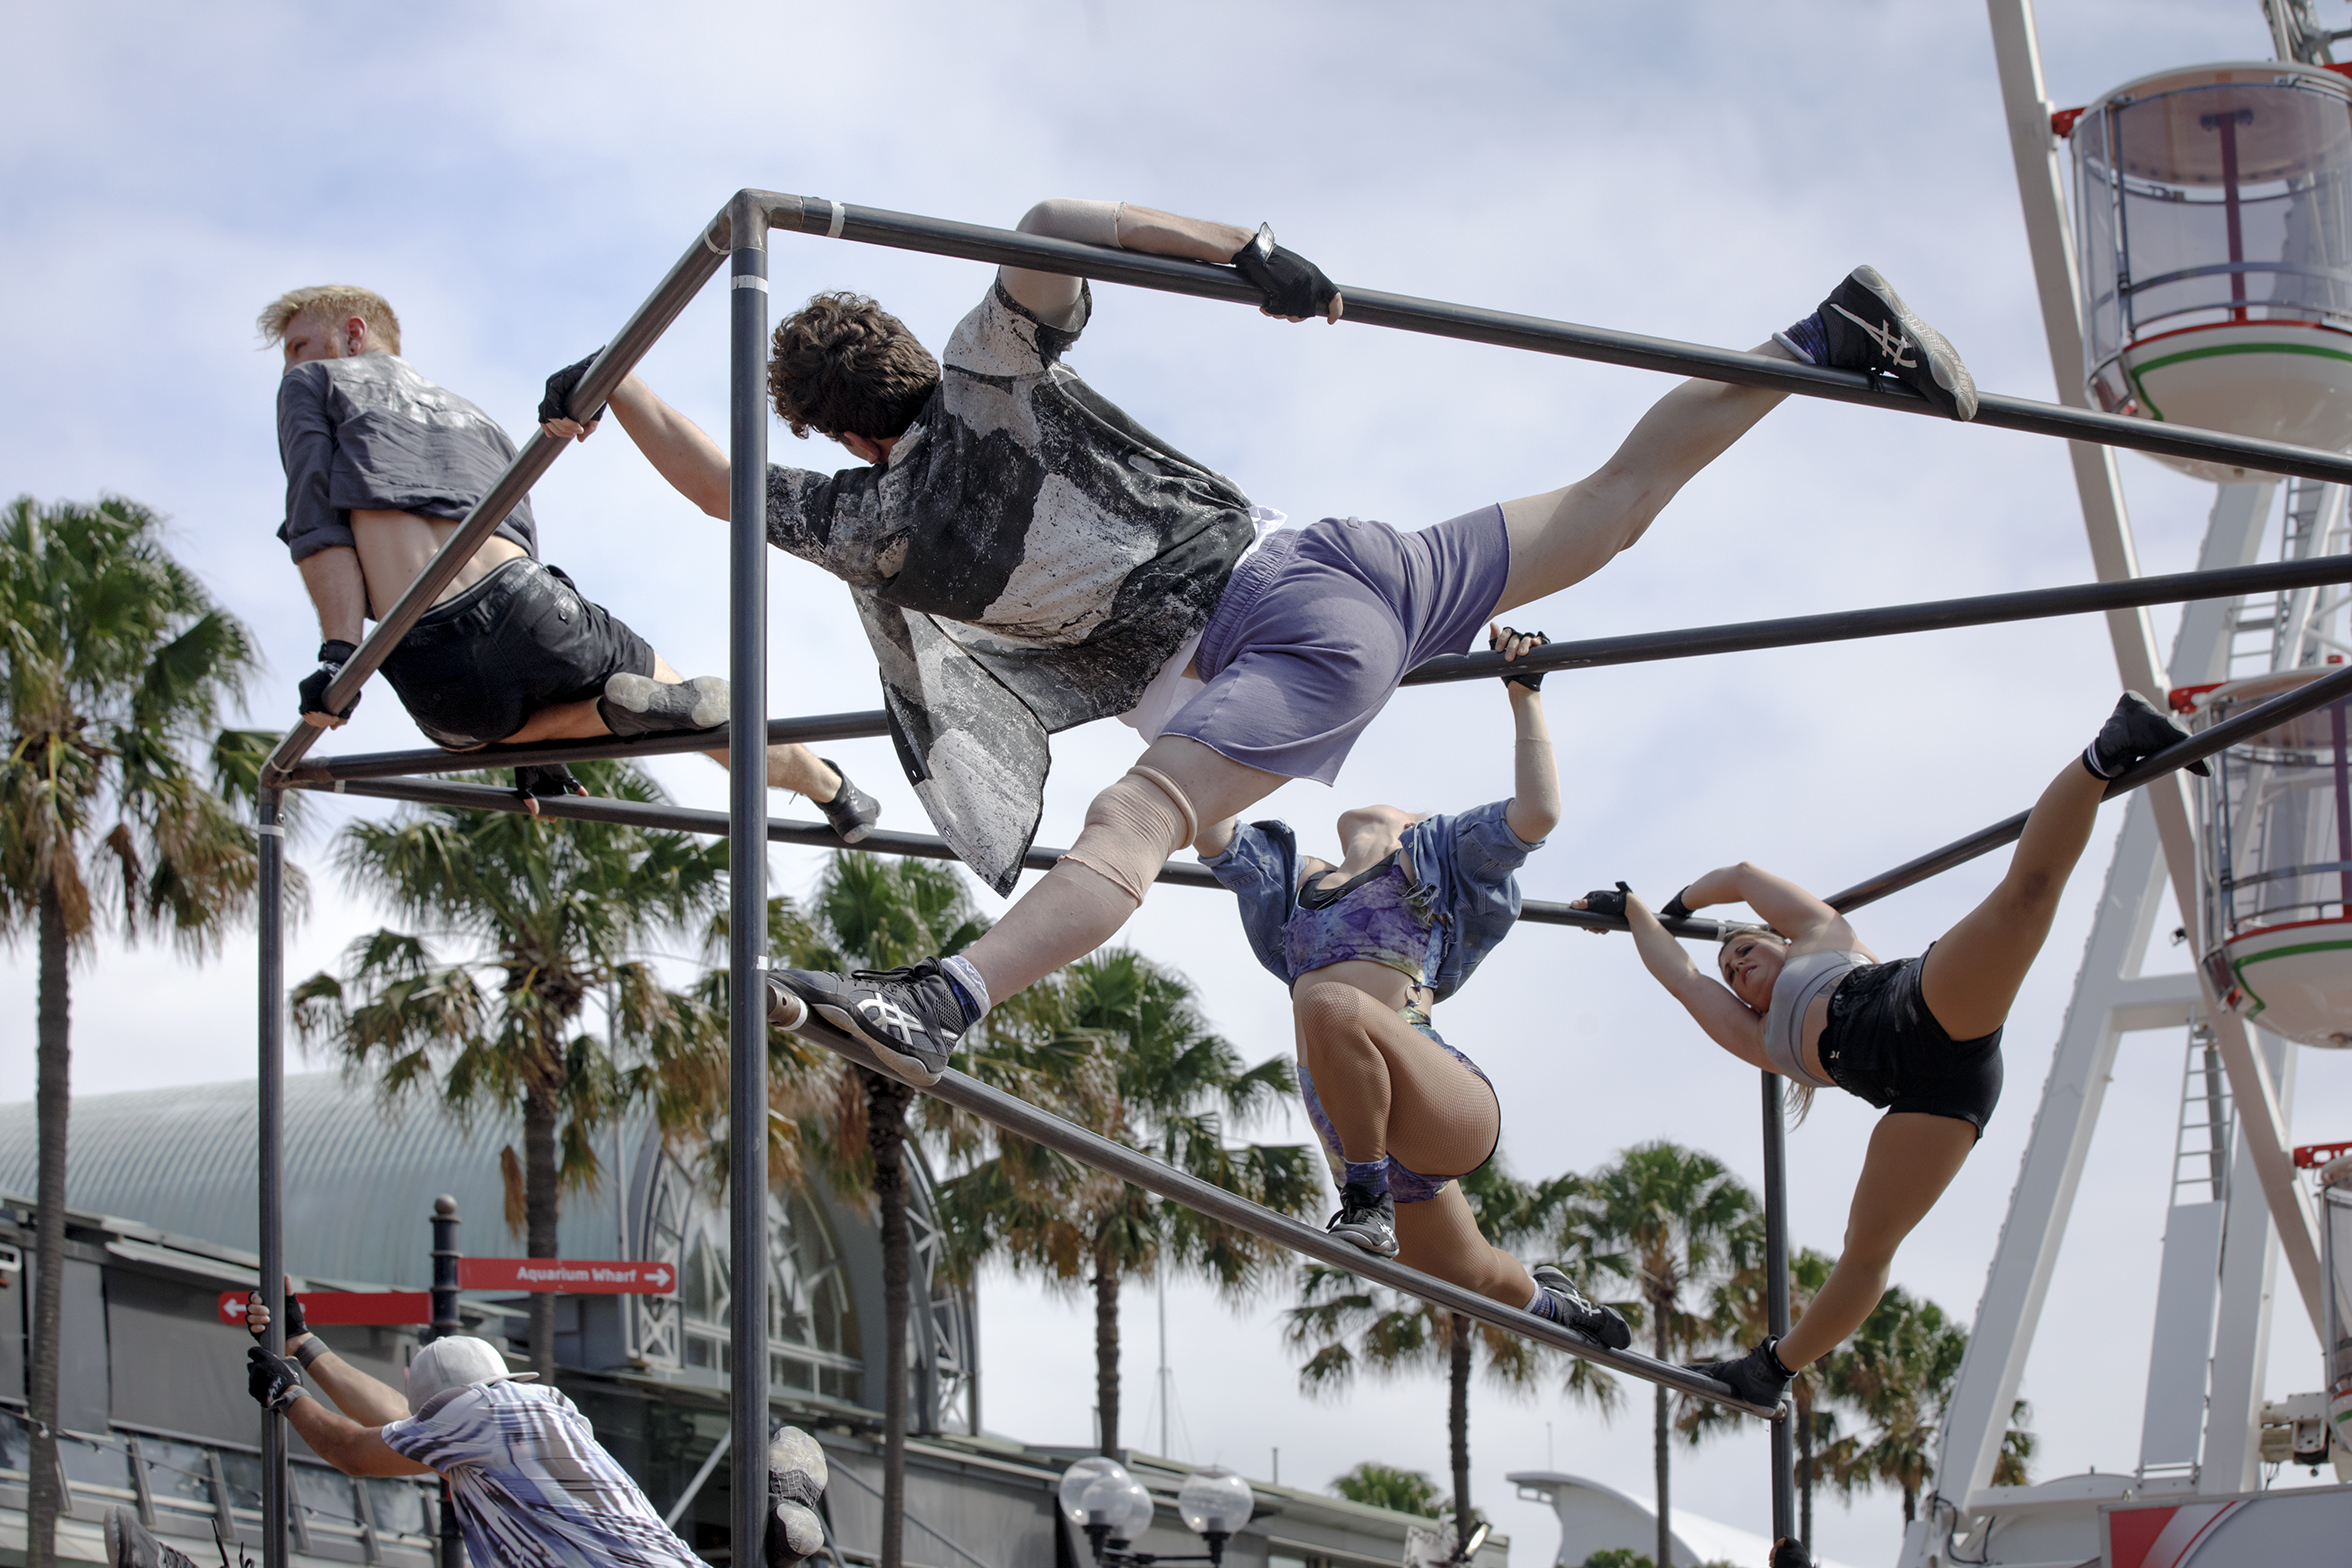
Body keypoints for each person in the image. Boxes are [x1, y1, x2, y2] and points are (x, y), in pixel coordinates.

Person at [543, 197, 1976, 1087]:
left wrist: (614, 393)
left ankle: (944, 999)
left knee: (1129, 818)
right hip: (1338, 559)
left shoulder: (878, 512)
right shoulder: (989, 368)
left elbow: (728, 490)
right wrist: (1249, 252)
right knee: (1611, 506)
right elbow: (1055, 215)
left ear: (841, 429)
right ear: (910, 362)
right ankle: (1819, 344)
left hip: (1270, 647)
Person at [1570, 692, 2201, 1408]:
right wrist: (1634, 914)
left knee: (2025, 897)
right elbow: (1683, 980)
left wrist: (1682, 904)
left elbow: (1743, 875)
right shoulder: (1759, 1038)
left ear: (1780, 939)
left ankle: (2110, 747)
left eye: (1745, 948)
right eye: (1731, 972)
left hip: (1922, 1006)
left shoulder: (1823, 935)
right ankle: (1772, 1368)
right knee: (1867, 1251)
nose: (1736, 965)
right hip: (1932, 1096)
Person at [263, 285, 879, 839]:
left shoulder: (312, 385)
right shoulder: (478, 421)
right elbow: (519, 541)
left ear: (352, 333)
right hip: (529, 607)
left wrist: (339, 654)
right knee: (720, 727)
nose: (291, 363)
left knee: (460, 738)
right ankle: (837, 793)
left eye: (298, 345)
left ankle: (574, 727)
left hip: (429, 661)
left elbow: (319, 524)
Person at [1199, 624, 1631, 1349]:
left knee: (1324, 1002)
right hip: (1347, 1118)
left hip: (1434, 1097)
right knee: (1468, 1275)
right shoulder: (1297, 884)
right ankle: (1558, 1305)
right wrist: (1221, 702)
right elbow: (1209, 829)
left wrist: (1523, 692)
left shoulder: (1429, 859)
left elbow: (1538, 814)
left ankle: (1365, 1198)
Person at [100, 1290, 829, 1568]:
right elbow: (396, 1418)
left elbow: (356, 1451)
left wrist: (284, 1400)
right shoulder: (521, 1417)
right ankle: (778, 1527)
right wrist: (305, 1349)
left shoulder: (486, 1418)